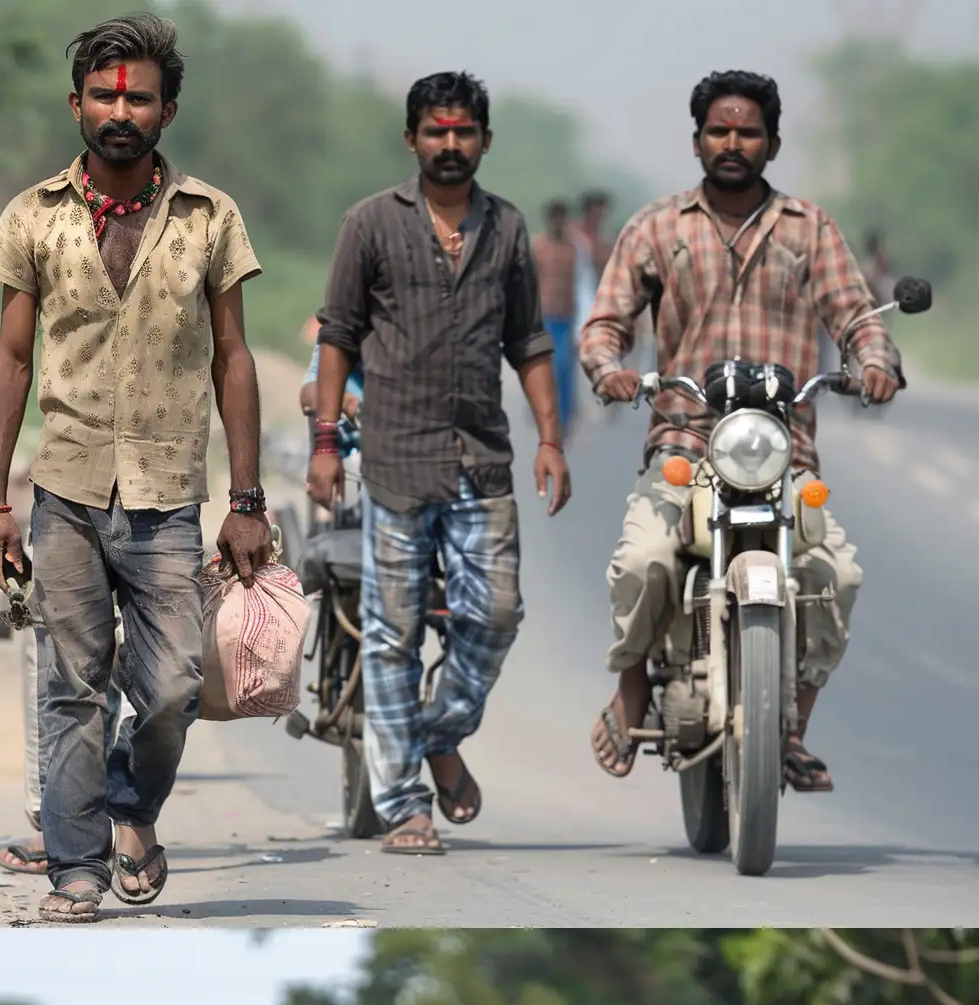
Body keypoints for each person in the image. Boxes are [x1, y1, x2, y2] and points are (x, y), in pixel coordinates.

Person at [0, 13, 269, 922]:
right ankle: (76, 868)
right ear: (77, 104)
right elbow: (11, 361)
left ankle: (132, 809)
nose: (120, 110)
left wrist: (248, 500)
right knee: (72, 684)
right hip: (63, 489)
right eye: (104, 94)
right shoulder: (35, 216)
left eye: (138, 96)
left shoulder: (209, 217)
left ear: (166, 111)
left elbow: (234, 359)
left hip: (169, 497)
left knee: (176, 685)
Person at [583, 70, 900, 796]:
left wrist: (876, 361)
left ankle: (789, 729)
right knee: (643, 560)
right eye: (719, 131)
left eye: (747, 132)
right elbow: (605, 323)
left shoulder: (808, 228)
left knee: (836, 574)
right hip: (685, 442)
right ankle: (632, 684)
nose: (732, 143)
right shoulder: (657, 226)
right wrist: (611, 369)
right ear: (697, 140)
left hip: (782, 451)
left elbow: (855, 316)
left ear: (772, 143)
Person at [310, 71, 571, 858]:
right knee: (391, 636)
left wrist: (551, 439)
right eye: (436, 131)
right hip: (393, 456)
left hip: (481, 459)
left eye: (463, 133)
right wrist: (326, 442)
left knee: (494, 616)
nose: (449, 145)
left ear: (484, 140)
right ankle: (403, 805)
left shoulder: (508, 228)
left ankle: (434, 731)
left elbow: (528, 342)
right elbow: (338, 336)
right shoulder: (370, 224)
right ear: (413, 139)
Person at [535, 199, 581, 433]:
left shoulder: (571, 249)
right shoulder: (539, 247)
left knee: (565, 367)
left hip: (566, 316)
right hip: (545, 317)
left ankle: (565, 417)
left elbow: (578, 284)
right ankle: (547, 415)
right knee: (549, 367)